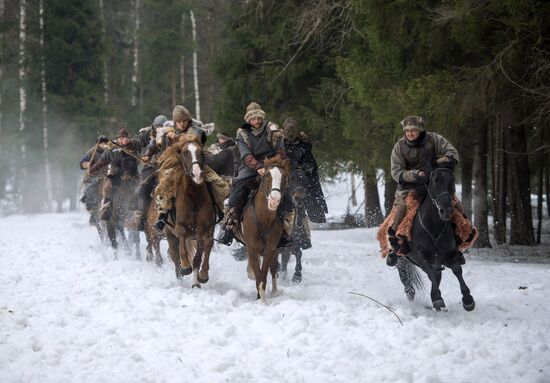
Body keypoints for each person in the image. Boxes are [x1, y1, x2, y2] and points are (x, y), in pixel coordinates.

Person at [217, 102, 294, 248]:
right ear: (248, 120)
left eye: (259, 118)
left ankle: (286, 230)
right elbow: (245, 154)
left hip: (273, 165)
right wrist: (258, 166)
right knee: (237, 186)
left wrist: (273, 162)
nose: (257, 121)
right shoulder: (243, 133)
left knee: (286, 192)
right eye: (253, 119)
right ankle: (229, 227)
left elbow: (280, 150)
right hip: (251, 167)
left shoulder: (272, 129)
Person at [386, 115, 459, 266]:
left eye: (413, 130)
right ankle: (395, 246)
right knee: (400, 211)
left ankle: (457, 244)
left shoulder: (435, 140)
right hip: (409, 188)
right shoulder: (399, 147)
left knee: (457, 207)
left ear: (420, 130)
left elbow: (453, 153)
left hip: (434, 185)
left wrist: (444, 160)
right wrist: (414, 174)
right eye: (407, 131)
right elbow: (396, 172)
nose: (410, 133)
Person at [151, 105, 227, 232]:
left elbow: (195, 137)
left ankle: (221, 212)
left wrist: (176, 137)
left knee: (217, 183)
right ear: (175, 121)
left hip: (195, 162)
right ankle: (162, 215)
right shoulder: (168, 131)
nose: (182, 124)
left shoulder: (196, 129)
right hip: (176, 164)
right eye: (179, 121)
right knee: (165, 184)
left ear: (189, 120)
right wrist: (167, 138)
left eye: (184, 121)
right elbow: (163, 147)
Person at [89, 128, 142, 220]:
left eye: (124, 138)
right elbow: (102, 161)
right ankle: (107, 207)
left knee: (141, 188)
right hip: (115, 175)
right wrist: (92, 169)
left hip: (131, 174)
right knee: (107, 187)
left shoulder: (132, 146)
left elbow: (139, 146)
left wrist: (129, 142)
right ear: (117, 139)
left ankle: (138, 212)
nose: (121, 140)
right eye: (120, 138)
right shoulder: (111, 148)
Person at [133, 114, 167, 230]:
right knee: (144, 189)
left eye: (161, 126)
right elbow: (137, 143)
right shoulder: (147, 134)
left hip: (166, 167)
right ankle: (142, 217)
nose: (159, 128)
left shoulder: (169, 135)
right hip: (151, 168)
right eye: (157, 126)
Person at [79, 135, 110, 215]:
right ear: (98, 144)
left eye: (105, 143)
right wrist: (86, 164)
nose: (104, 145)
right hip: (95, 175)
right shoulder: (92, 152)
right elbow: (82, 162)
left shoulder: (110, 151)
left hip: (108, 174)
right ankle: (91, 205)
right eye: (102, 143)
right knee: (93, 186)